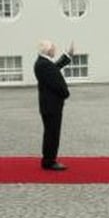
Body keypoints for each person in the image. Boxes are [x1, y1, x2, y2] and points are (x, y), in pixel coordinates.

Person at [34, 40, 73, 171]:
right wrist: (66, 93)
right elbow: (56, 82)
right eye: (53, 48)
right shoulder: (44, 64)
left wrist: (67, 56)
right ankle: (49, 161)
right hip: (51, 105)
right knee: (52, 133)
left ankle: (48, 159)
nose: (55, 50)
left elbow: (55, 68)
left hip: (48, 105)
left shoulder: (43, 62)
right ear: (48, 50)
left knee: (50, 132)